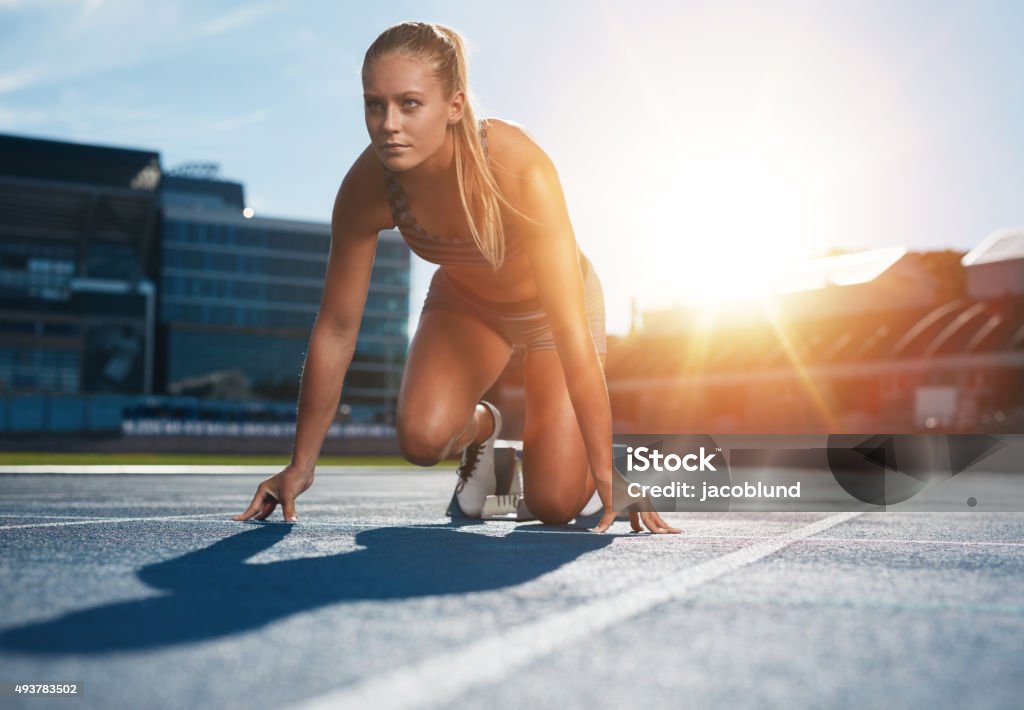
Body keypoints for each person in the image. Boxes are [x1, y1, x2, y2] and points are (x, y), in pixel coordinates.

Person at [234, 21, 680, 534]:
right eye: (374, 105)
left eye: (409, 104)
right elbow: (336, 329)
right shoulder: (365, 188)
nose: (388, 125)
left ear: (455, 106)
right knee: (421, 441)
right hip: (467, 307)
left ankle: (581, 457)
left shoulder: (518, 167)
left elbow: (571, 332)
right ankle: (485, 429)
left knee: (556, 504)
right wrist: (301, 465)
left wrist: (606, 472)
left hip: (554, 317)